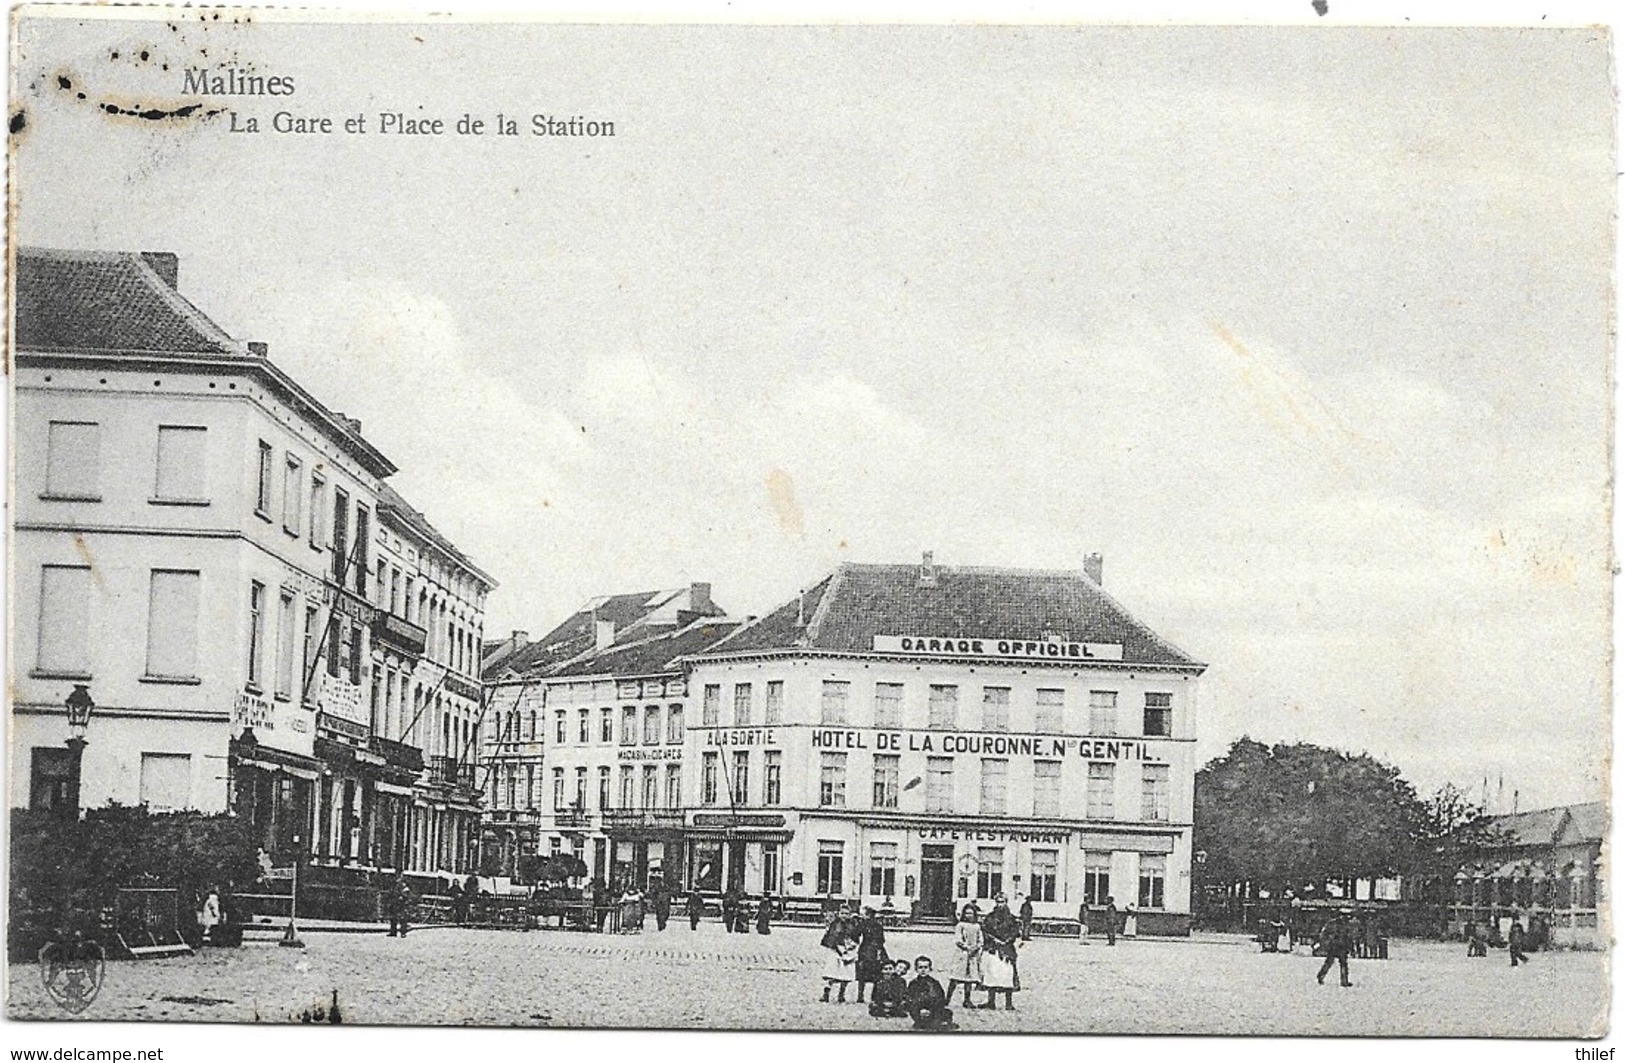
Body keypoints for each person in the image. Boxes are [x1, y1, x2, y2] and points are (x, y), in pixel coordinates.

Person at [979, 893, 1021, 1010]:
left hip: (1006, 951)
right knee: (991, 974)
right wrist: (994, 940)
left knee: (1007, 975)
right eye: (998, 902)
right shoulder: (990, 917)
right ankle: (991, 1002)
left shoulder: (1011, 918)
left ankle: (1009, 1003)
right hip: (993, 949)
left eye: (1002, 902)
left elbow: (1015, 932)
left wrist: (1007, 941)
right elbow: (985, 931)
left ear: (1006, 903)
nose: (1000, 905)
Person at [819, 904, 860, 1003]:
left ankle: (841, 994)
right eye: (842, 913)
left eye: (846, 914)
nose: (844, 916)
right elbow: (830, 937)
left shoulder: (852, 925)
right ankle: (826, 993)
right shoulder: (835, 924)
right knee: (832, 973)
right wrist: (836, 946)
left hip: (847, 951)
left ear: (850, 914)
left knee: (845, 974)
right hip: (835, 951)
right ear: (839, 913)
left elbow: (856, 937)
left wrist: (851, 945)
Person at [905, 956, 957, 1031]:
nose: (923, 970)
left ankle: (935, 1022)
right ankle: (921, 1022)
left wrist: (931, 1009)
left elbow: (940, 998)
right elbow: (909, 998)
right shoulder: (913, 983)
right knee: (913, 1008)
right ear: (916, 969)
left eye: (925, 967)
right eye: (920, 967)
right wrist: (919, 1009)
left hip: (932, 1010)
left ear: (930, 969)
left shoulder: (935, 983)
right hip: (919, 1010)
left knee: (947, 1012)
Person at [946, 902, 984, 1006]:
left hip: (973, 955)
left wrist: (976, 948)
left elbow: (980, 940)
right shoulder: (960, 925)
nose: (969, 916)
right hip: (962, 954)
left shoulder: (977, 926)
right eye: (967, 913)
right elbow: (958, 939)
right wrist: (966, 947)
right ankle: (947, 998)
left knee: (969, 978)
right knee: (956, 976)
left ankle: (967, 999)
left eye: (971, 913)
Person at [854, 906, 889, 1004]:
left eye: (864, 914)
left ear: (868, 915)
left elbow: (855, 935)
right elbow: (882, 940)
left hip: (865, 949)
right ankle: (874, 996)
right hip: (876, 949)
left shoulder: (863, 924)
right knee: (876, 973)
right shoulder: (878, 925)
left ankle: (860, 995)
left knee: (862, 973)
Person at [1317, 910, 1354, 987]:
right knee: (1330, 962)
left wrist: (1350, 947)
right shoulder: (1333, 924)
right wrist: (1326, 942)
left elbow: (1348, 937)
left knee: (1342, 963)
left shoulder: (1344, 925)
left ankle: (1344, 981)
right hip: (1334, 946)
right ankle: (1321, 976)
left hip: (1341, 946)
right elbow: (1324, 934)